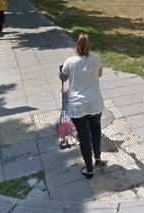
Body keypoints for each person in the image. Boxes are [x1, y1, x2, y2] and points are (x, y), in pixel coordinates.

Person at [59, 34, 106, 179]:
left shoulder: (70, 61)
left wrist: (61, 71)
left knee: (84, 136)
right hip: (95, 102)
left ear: (76, 45)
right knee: (96, 130)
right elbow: (99, 74)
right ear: (90, 44)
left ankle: (89, 169)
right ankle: (98, 158)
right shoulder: (96, 58)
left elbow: (63, 78)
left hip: (77, 105)